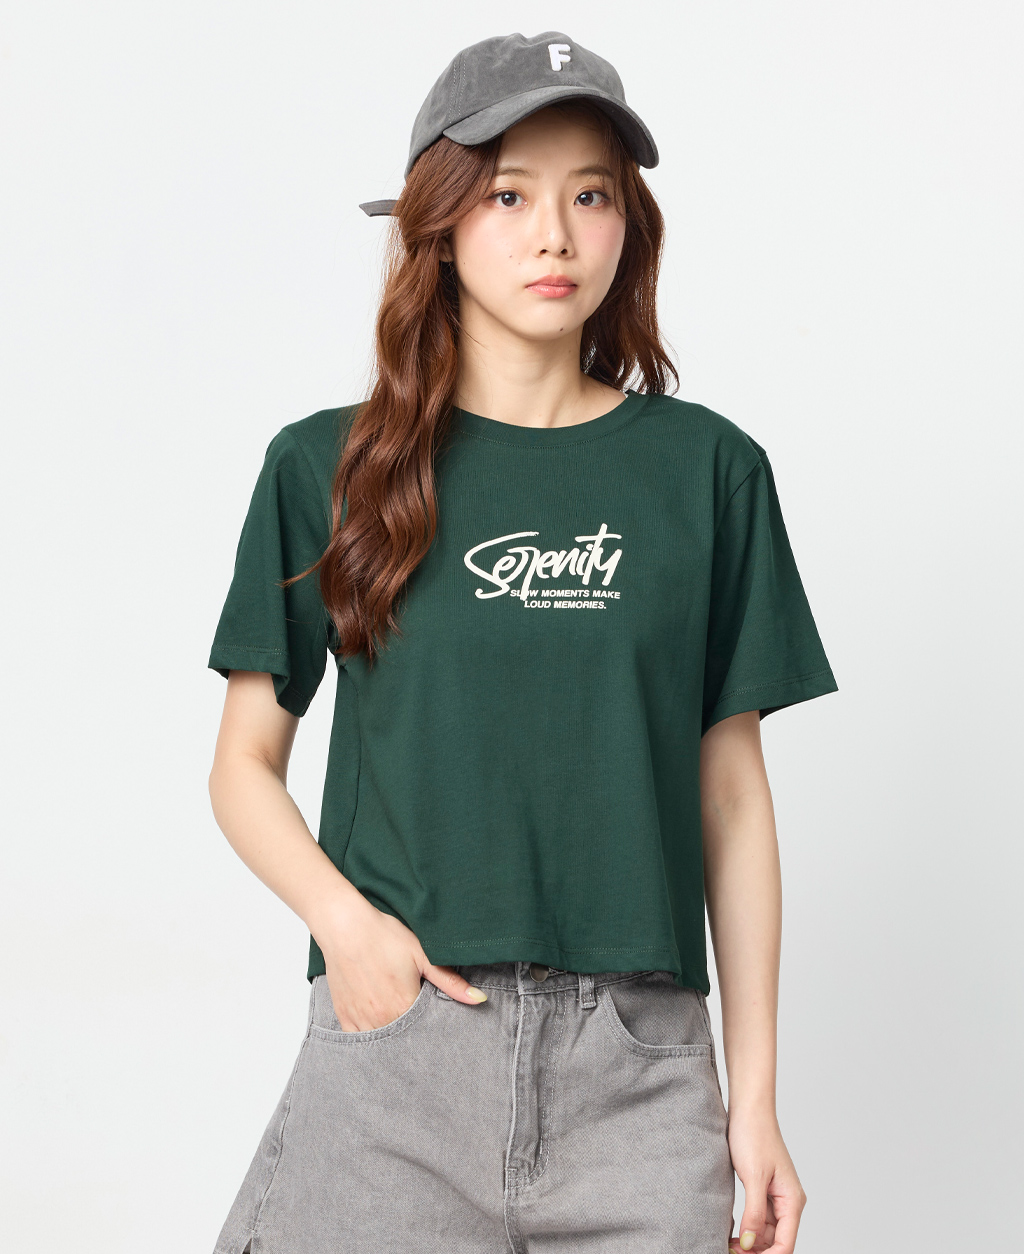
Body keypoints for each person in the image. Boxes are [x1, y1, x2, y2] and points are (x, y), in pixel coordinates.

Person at [206, 30, 837, 1254]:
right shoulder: (326, 467)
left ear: (627, 226)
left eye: (590, 196)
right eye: (507, 196)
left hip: (641, 1074)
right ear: (439, 223)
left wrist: (754, 1103)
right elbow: (242, 766)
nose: (554, 235)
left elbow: (731, 798)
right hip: (401, 1057)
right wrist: (349, 933)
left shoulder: (707, 472)